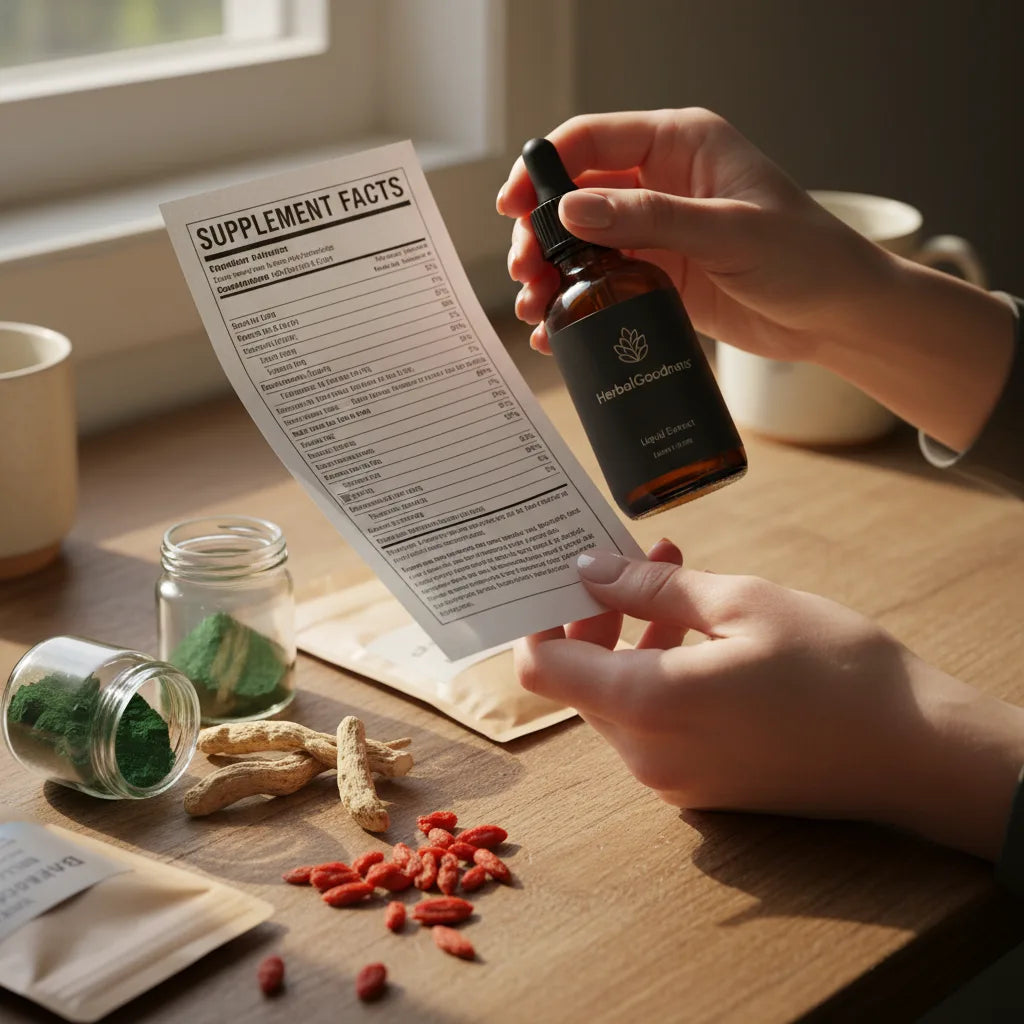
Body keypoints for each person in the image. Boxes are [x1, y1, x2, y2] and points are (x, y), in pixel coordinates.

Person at [495, 108, 1024, 877]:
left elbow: (909, 749)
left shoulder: (635, 279)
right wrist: (849, 309)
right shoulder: (596, 297)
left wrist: (910, 746)